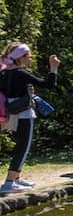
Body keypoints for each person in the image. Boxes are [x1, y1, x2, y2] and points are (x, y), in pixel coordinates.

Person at [0, 42, 59, 192]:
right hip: (24, 113)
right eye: (29, 56)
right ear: (21, 57)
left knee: (20, 144)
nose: (31, 58)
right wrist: (53, 68)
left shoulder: (4, 73)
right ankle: (9, 183)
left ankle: (16, 179)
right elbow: (48, 85)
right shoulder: (20, 73)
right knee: (23, 147)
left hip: (10, 112)